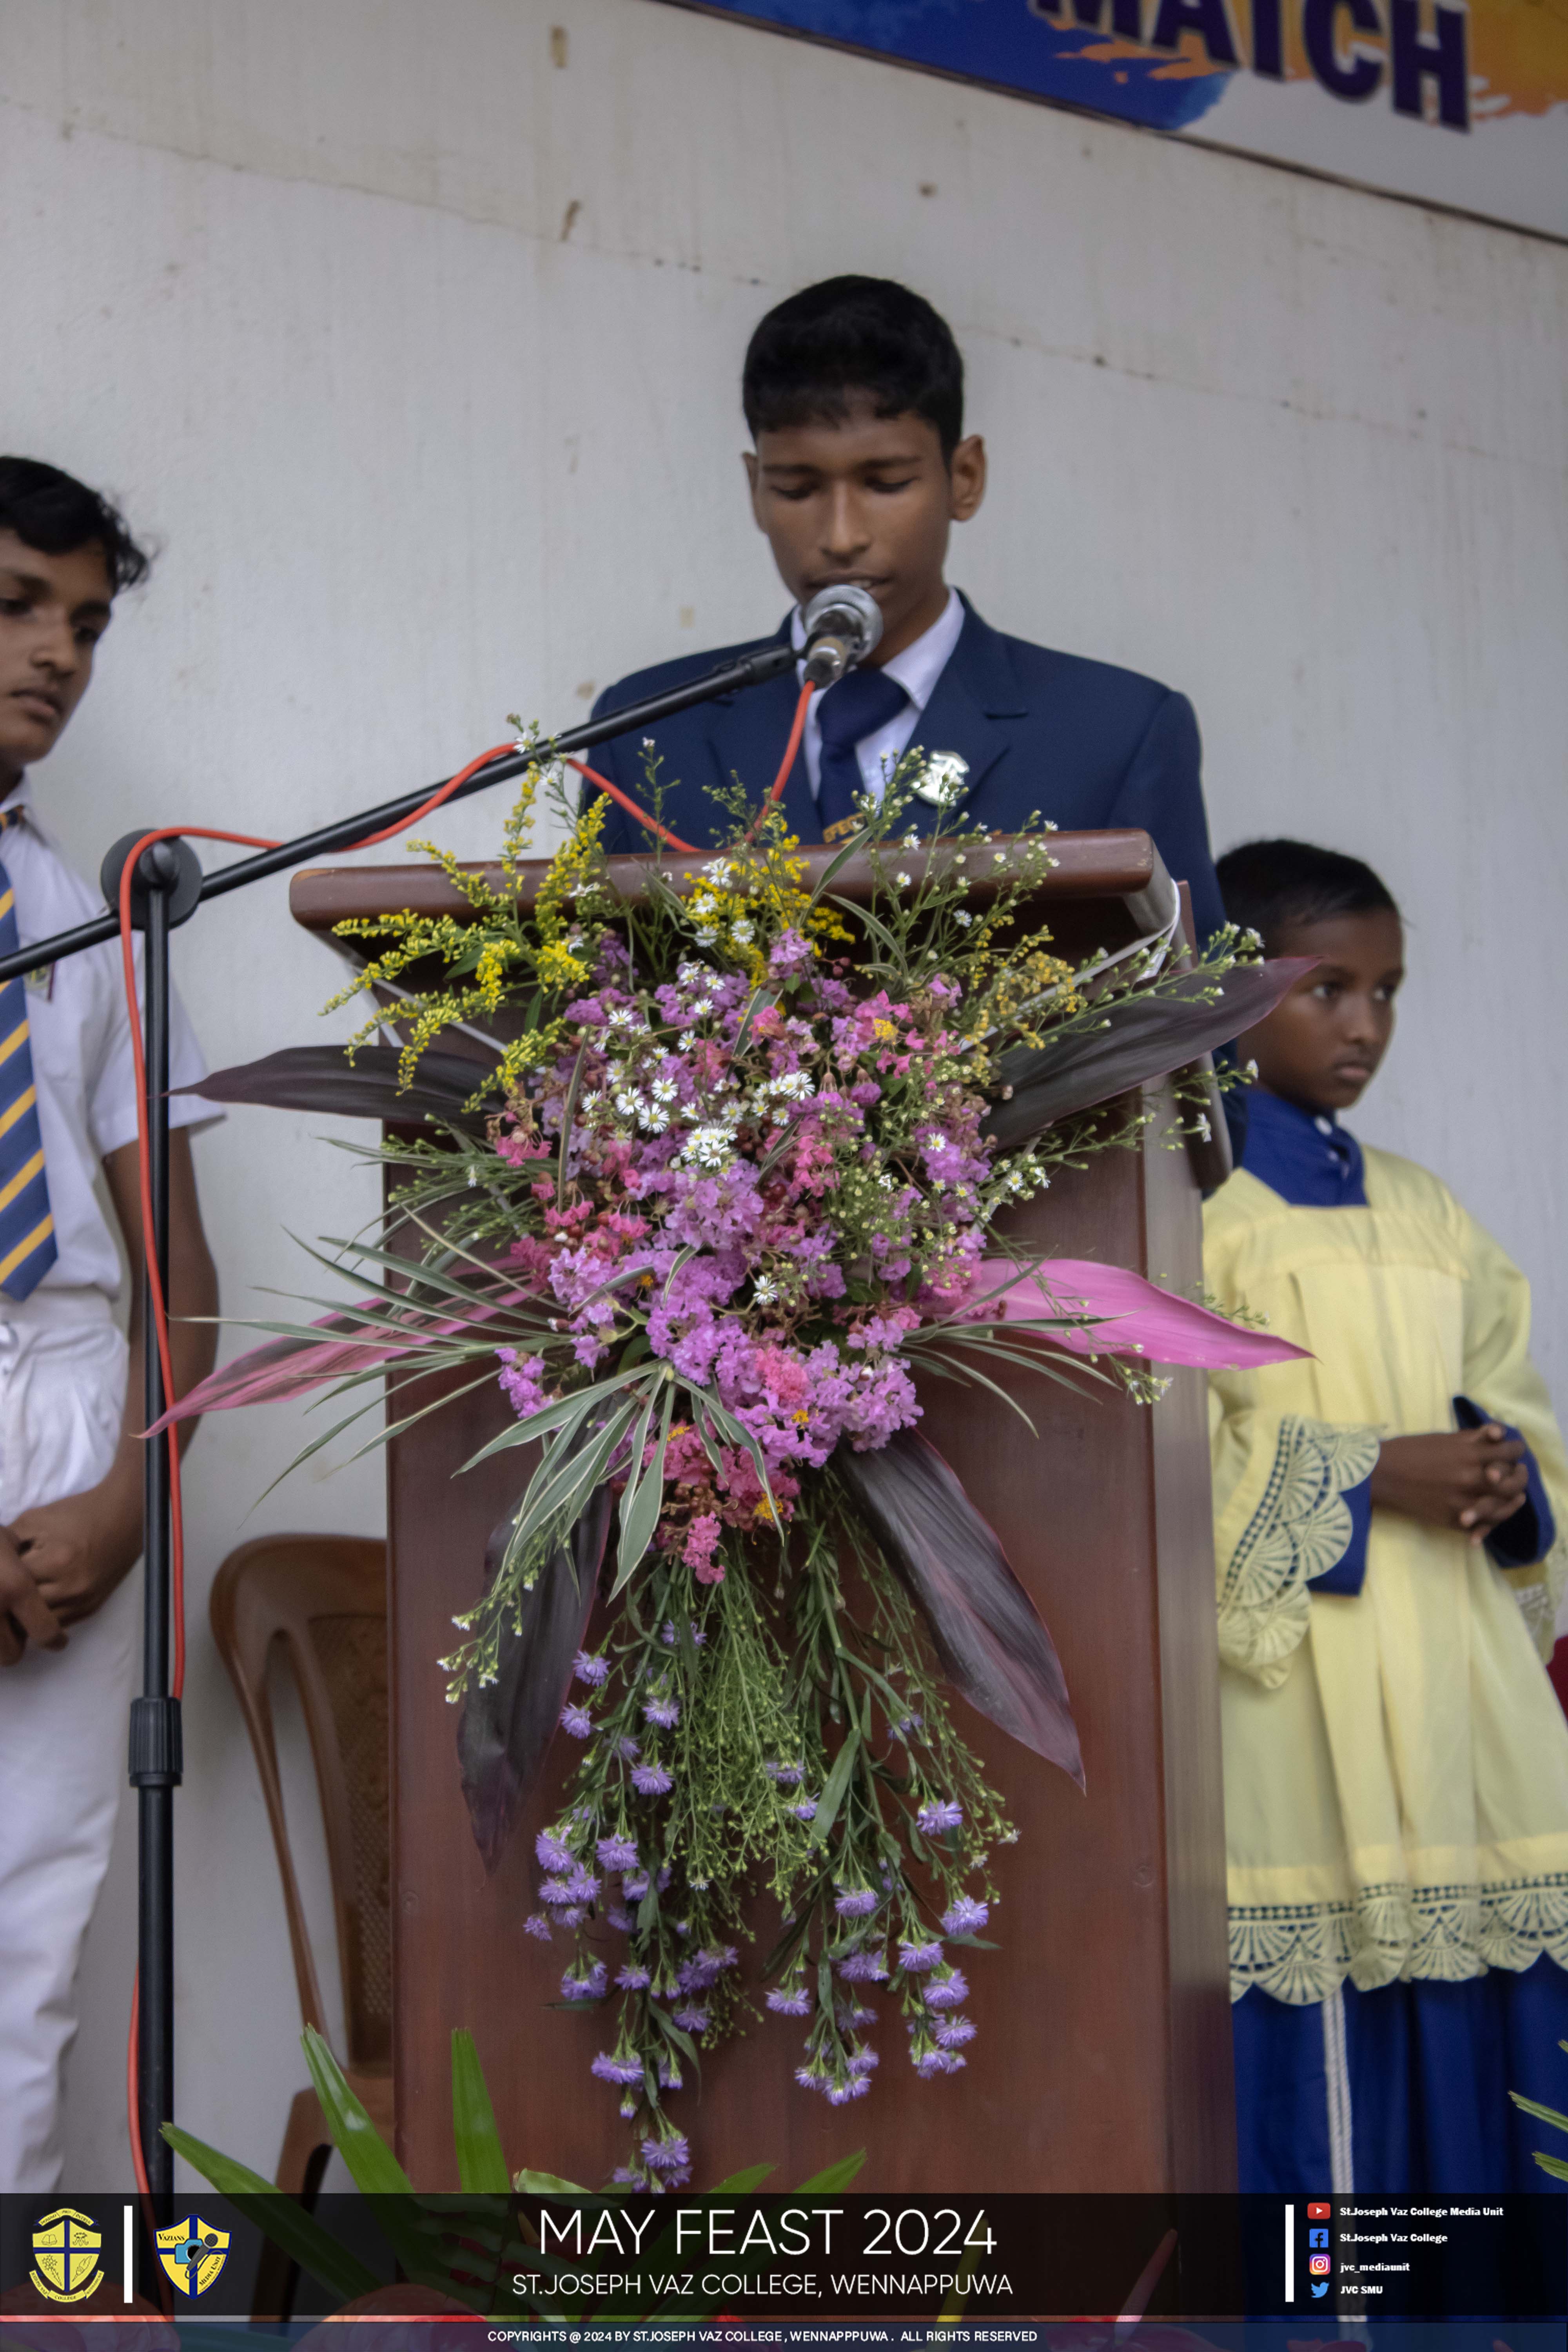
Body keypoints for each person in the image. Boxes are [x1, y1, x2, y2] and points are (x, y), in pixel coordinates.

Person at [1205, 836, 1568, 2193]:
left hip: (1457, 1672)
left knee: (1496, 2029)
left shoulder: (1430, 1211)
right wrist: (1366, 1477)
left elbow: (1514, 1398)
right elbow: (1164, 1476)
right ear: (1228, 990)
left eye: (1389, 992)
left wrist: (1504, 1472)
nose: (1367, 1027)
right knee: (1329, 2057)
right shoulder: (1189, 1213)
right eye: (1328, 989)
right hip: (1295, 1687)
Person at [584, 276, 1227, 949]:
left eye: (885, 483)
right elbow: (596, 1008)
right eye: (796, 489)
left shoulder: (1116, 731)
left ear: (966, 477)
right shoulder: (649, 731)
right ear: (754, 489)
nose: (841, 536)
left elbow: (1194, 1023)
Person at [0, 457, 219, 2189]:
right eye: (17, 605)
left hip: (71, 1411)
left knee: (27, 1940)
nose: (58, 656)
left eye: (83, 623)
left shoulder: (86, 914)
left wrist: (134, 1495)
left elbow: (183, 1272)